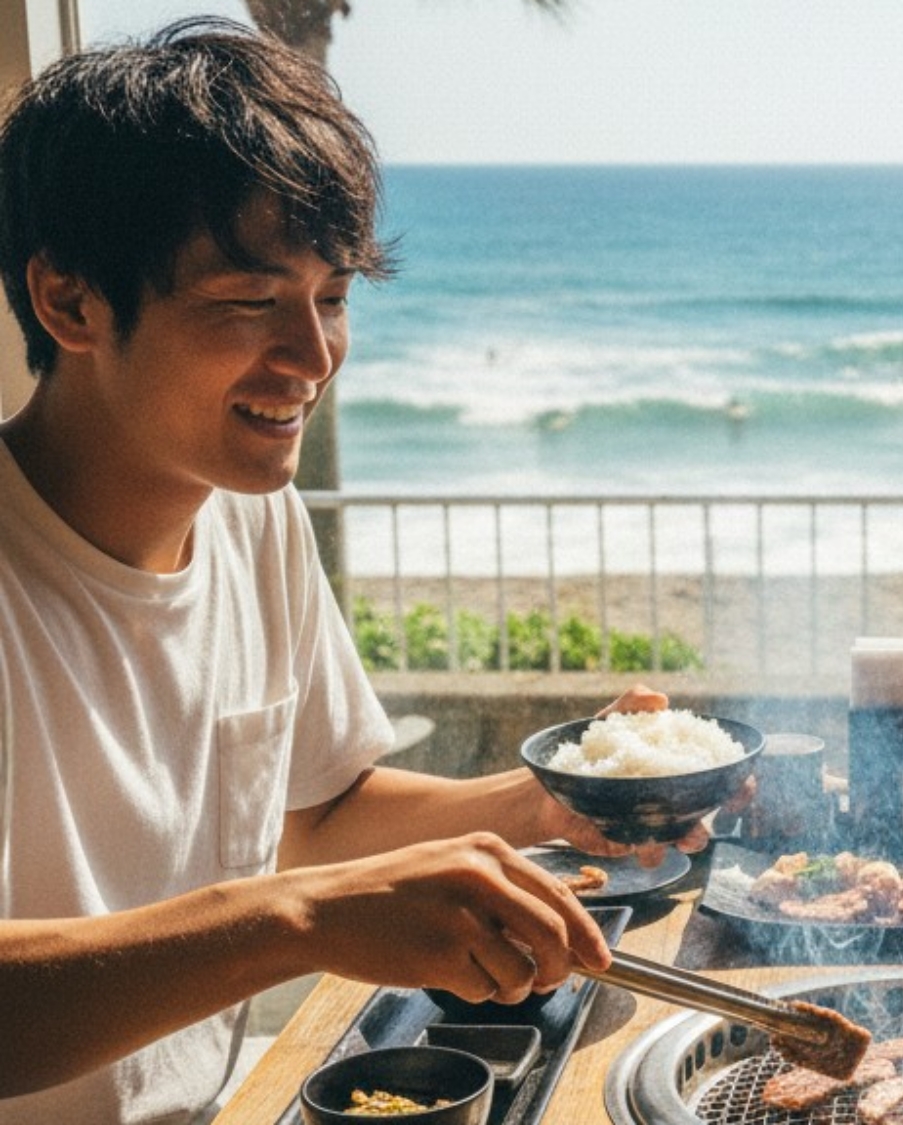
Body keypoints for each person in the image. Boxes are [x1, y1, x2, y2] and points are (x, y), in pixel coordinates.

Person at [0, 21, 707, 1122]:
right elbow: (308, 885)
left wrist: (551, 802)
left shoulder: (252, 518)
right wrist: (301, 917)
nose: (314, 354)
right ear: (71, 303)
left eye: (331, 297)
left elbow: (322, 815)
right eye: (250, 302)